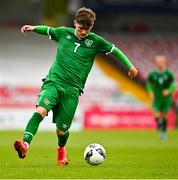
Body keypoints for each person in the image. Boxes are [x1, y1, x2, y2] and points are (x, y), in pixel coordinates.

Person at [14, 7, 138, 166]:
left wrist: (130, 66)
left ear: (91, 27)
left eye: (87, 29)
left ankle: (61, 151)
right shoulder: (63, 32)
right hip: (54, 81)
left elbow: (115, 51)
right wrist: (33, 28)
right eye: (81, 28)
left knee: (61, 130)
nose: (84, 32)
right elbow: (48, 30)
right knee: (40, 111)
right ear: (75, 23)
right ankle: (25, 144)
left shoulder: (96, 41)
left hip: (73, 90)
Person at [146, 55, 176, 140]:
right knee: (156, 115)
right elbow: (148, 84)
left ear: (164, 62)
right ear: (156, 63)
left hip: (166, 99)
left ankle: (163, 132)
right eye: (158, 62)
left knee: (164, 116)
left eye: (161, 62)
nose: (159, 63)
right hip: (157, 98)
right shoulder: (152, 73)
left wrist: (168, 91)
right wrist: (151, 92)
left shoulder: (169, 73)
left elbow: (174, 85)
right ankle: (159, 122)